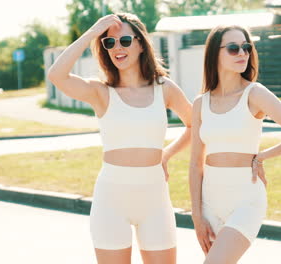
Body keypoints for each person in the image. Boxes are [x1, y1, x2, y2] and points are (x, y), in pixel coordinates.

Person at [47, 13, 192, 264]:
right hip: (111, 202)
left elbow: (194, 125)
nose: (117, 48)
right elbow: (56, 75)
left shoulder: (164, 88)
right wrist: (93, 32)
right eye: (109, 43)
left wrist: (166, 154)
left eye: (125, 40)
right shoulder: (100, 92)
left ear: (140, 43)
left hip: (155, 201)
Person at [189, 25, 281, 264]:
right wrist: (196, 216)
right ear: (215, 53)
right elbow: (195, 164)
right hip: (209, 202)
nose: (243, 54)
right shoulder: (200, 103)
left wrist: (262, 156)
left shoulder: (254, 93)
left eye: (246, 47)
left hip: (245, 200)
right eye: (234, 48)